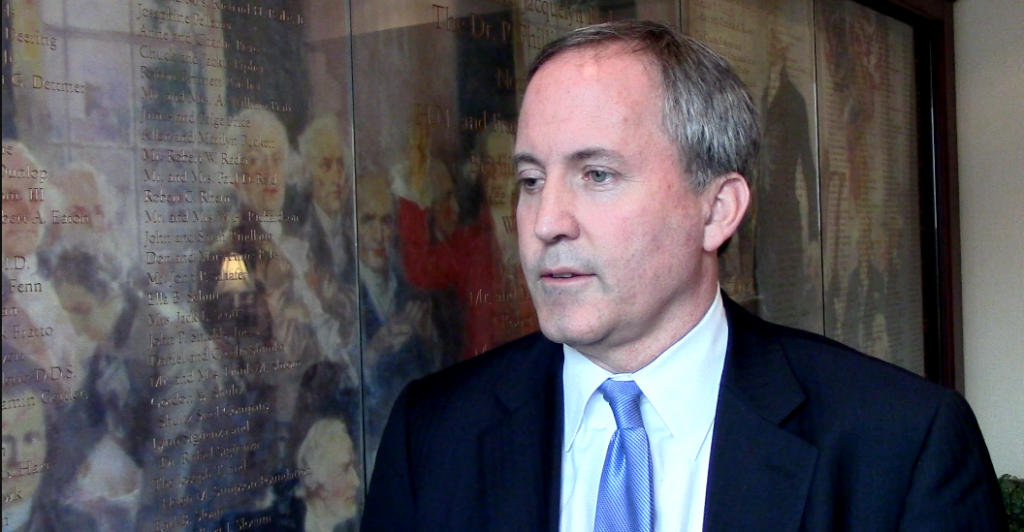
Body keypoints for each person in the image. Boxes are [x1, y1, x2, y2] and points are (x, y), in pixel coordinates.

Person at [361, 20, 1007, 532]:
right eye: (530, 180)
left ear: (716, 209)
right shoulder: (433, 432)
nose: (545, 221)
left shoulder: (900, 445)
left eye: (597, 175)